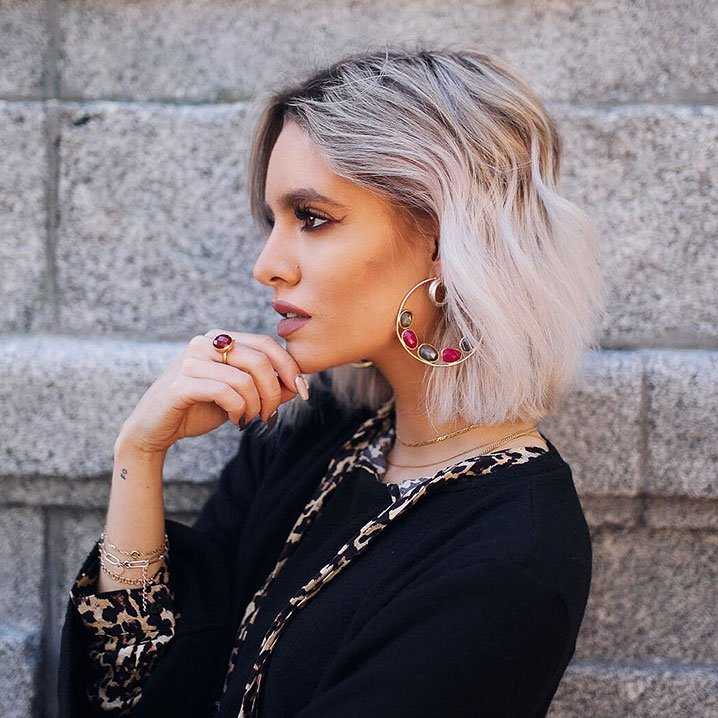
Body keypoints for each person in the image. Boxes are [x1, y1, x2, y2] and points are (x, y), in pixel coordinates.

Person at [57, 46, 604, 717]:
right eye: (274, 222)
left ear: (445, 236)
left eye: (312, 218)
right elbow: (133, 691)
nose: (267, 265)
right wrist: (139, 456)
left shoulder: (512, 553)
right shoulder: (309, 433)